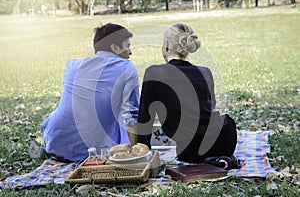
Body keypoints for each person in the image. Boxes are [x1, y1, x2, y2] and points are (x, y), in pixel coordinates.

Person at [137, 23, 237, 164]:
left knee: (190, 145)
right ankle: (217, 160)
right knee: (226, 120)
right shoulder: (205, 72)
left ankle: (211, 161)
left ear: (166, 46)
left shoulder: (154, 73)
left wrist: (143, 152)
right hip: (224, 139)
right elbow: (210, 106)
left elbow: (145, 119)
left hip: (189, 148)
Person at [40, 23, 139, 162]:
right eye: (127, 46)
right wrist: (136, 154)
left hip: (56, 143)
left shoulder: (71, 65)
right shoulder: (127, 68)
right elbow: (131, 115)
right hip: (96, 152)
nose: (130, 52)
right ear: (115, 47)